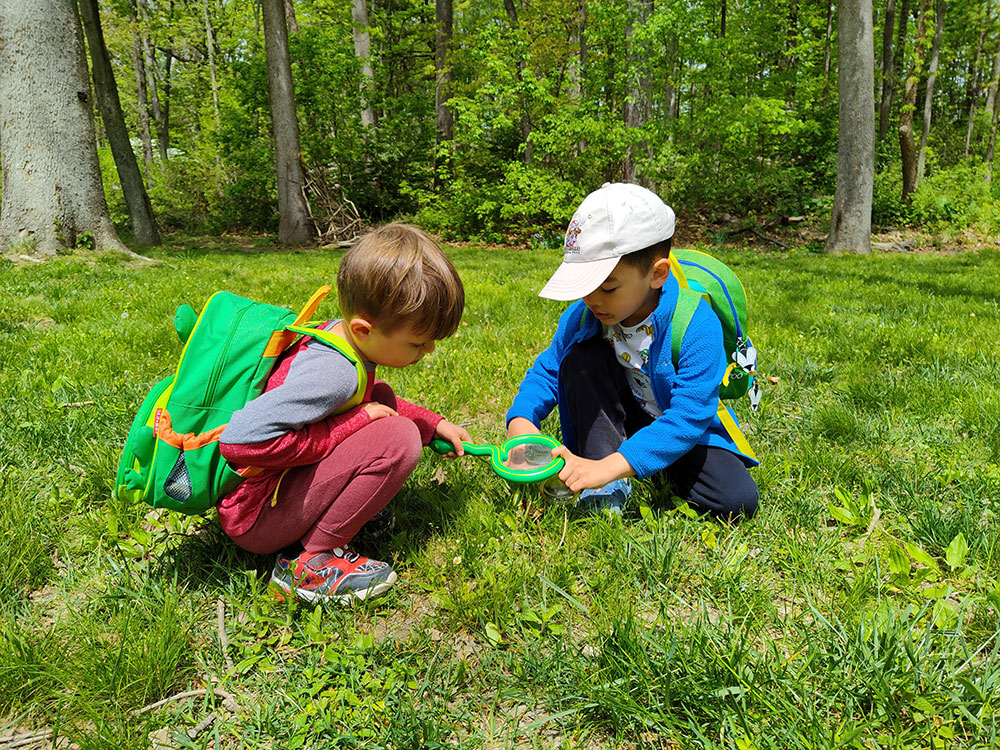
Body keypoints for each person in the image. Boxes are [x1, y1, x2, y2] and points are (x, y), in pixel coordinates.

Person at [217, 223, 470, 603]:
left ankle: (346, 512)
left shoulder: (340, 340)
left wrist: (432, 423)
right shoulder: (332, 374)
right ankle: (310, 562)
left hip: (269, 496)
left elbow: (371, 402)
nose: (428, 351)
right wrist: (351, 425)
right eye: (418, 343)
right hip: (256, 515)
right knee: (397, 439)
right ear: (363, 329)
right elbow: (240, 441)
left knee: (382, 400)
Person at [506, 183, 758, 519]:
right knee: (580, 360)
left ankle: (634, 461)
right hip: (616, 414)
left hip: (678, 425)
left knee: (736, 501)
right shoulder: (584, 316)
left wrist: (618, 463)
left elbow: (689, 415)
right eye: (584, 287)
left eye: (608, 287)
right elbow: (548, 370)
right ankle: (603, 481)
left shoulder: (695, 323)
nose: (593, 299)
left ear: (657, 275)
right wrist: (522, 420)